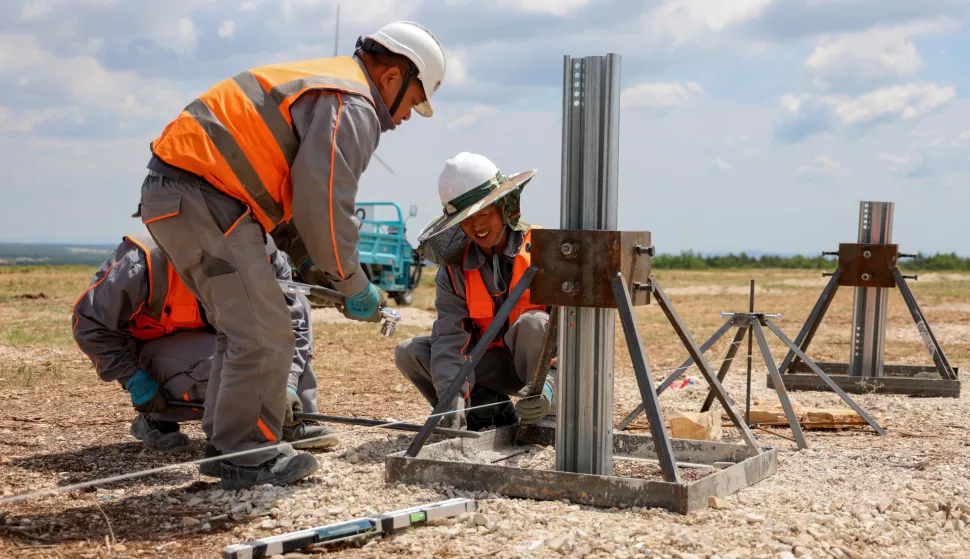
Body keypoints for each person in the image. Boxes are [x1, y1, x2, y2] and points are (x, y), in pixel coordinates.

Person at [131, 21, 446, 489]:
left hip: (183, 193)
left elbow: (298, 202)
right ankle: (247, 456)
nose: (404, 118)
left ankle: (226, 447)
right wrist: (353, 282)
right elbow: (323, 203)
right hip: (206, 197)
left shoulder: (327, 82)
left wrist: (323, 266)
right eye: (414, 101)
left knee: (241, 331)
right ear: (393, 78)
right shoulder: (353, 101)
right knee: (265, 332)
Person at [71, 232, 337, 458]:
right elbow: (89, 323)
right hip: (162, 351)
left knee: (285, 321)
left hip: (223, 340)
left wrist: (287, 382)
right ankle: (159, 419)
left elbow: (294, 323)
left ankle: (291, 416)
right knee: (226, 366)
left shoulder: (264, 252)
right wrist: (134, 379)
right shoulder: (143, 260)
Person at [394, 152, 557, 431]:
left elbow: (575, 334)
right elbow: (449, 339)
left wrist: (551, 387)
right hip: (493, 367)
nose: (477, 225)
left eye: (484, 213)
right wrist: (450, 397)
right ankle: (488, 413)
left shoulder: (545, 250)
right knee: (411, 352)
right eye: (467, 218)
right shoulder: (454, 272)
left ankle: (546, 416)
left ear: (504, 206)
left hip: (545, 371)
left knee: (533, 324)